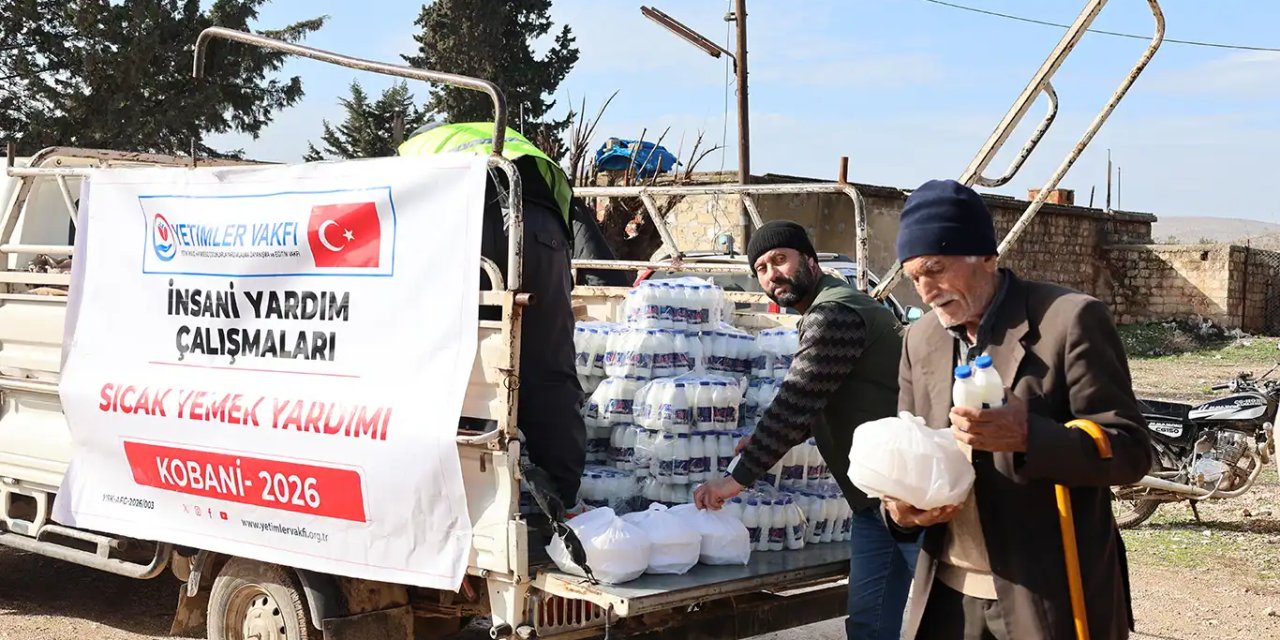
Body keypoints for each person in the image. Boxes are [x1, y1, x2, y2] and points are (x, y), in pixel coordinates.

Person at [886, 179, 1152, 639]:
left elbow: (1130, 450)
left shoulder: (1069, 320)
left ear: (986, 256)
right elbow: (910, 448)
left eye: (935, 269)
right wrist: (900, 509)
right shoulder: (920, 339)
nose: (925, 291)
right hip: (947, 597)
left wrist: (1029, 436)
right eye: (914, 278)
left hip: (1047, 595)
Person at [693, 220, 919, 640]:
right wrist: (767, 439)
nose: (772, 274)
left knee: (953, 618)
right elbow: (818, 398)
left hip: (916, 499)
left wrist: (734, 481)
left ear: (811, 260)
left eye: (780, 259)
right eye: (761, 268)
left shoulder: (833, 313)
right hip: (876, 502)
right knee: (869, 626)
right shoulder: (835, 307)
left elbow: (795, 401)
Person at [399, 122, 586, 512]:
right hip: (545, 231)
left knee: (466, 360)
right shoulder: (495, 137)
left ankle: (465, 492)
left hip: (474, 225)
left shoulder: (416, 151)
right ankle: (564, 499)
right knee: (549, 365)